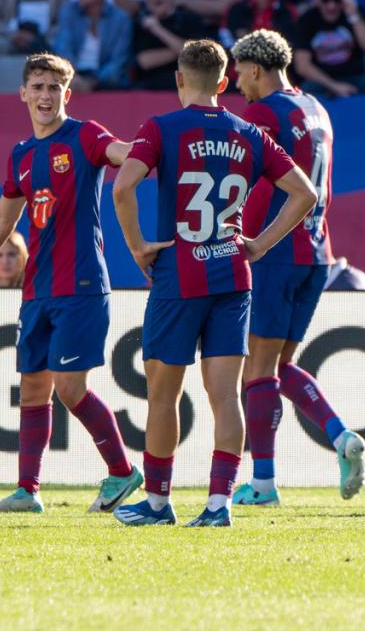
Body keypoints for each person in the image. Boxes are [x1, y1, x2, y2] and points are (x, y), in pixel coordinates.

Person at [110, 40, 318, 527]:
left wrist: (138, 245)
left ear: (178, 79)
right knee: (225, 395)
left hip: (178, 277)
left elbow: (122, 187)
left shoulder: (160, 128)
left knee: (164, 394)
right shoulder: (250, 133)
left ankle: (158, 503)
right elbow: (304, 194)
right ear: (224, 82)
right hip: (232, 274)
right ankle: (219, 504)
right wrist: (261, 244)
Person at [0, 52, 143, 513]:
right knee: (34, 388)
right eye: (37, 87)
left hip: (80, 285)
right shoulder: (21, 154)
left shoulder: (84, 136)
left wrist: (154, 151)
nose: (45, 95)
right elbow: (5, 216)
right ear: (22, 93)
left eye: (53, 87)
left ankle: (123, 472)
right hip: (37, 288)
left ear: (67, 93)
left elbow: (123, 153)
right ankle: (28, 491)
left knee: (70, 387)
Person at [225, 30, 365, 508]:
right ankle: (339, 434)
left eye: (240, 73)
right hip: (317, 252)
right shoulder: (316, 109)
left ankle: (263, 482)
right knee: (279, 366)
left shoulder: (264, 112)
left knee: (258, 369)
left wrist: (251, 237)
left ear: (258, 70)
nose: (236, 83)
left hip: (276, 252)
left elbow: (254, 181)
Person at [132, 0, 211, 90]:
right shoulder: (140, 23)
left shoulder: (192, 20)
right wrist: (182, 50)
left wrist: (157, 29)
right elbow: (144, 61)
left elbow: (198, 58)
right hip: (149, 88)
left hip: (188, 87)